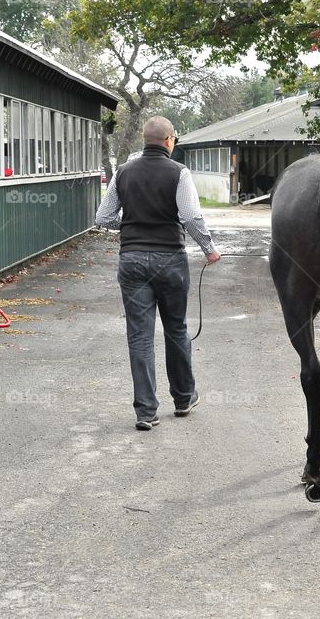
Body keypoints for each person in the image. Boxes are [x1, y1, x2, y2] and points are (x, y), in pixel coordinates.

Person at [96, 116, 221, 430]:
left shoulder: (123, 172)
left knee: (139, 336)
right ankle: (183, 399)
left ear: (145, 139)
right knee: (176, 329)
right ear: (169, 141)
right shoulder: (179, 172)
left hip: (132, 260)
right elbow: (191, 216)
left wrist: (130, 226)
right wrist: (209, 248)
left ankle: (145, 411)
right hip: (170, 262)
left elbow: (103, 216)